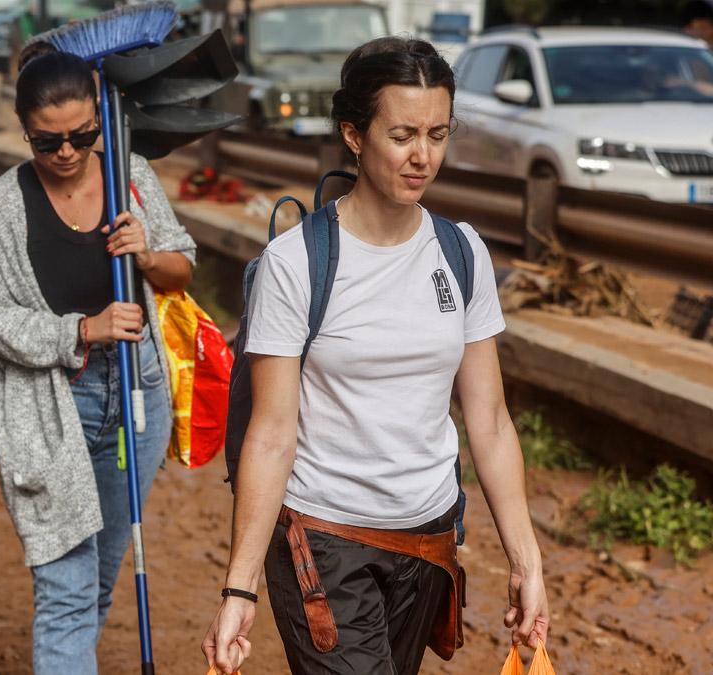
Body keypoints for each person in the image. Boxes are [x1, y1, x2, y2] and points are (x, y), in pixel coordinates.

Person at [201, 37, 550, 675]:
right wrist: (239, 589)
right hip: (322, 539)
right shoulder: (297, 262)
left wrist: (526, 562)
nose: (423, 157)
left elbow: (491, 421)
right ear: (355, 136)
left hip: (429, 537)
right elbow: (273, 434)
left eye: (438, 135)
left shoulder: (462, 252)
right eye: (402, 135)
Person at [0, 47, 196, 674]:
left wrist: (147, 255)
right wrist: (84, 329)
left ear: (99, 118)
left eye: (82, 135)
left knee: (98, 578)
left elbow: (182, 266)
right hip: (52, 409)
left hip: (137, 393)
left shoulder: (130, 173)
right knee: (66, 588)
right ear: (24, 130)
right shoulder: (3, 206)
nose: (67, 152)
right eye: (48, 142)